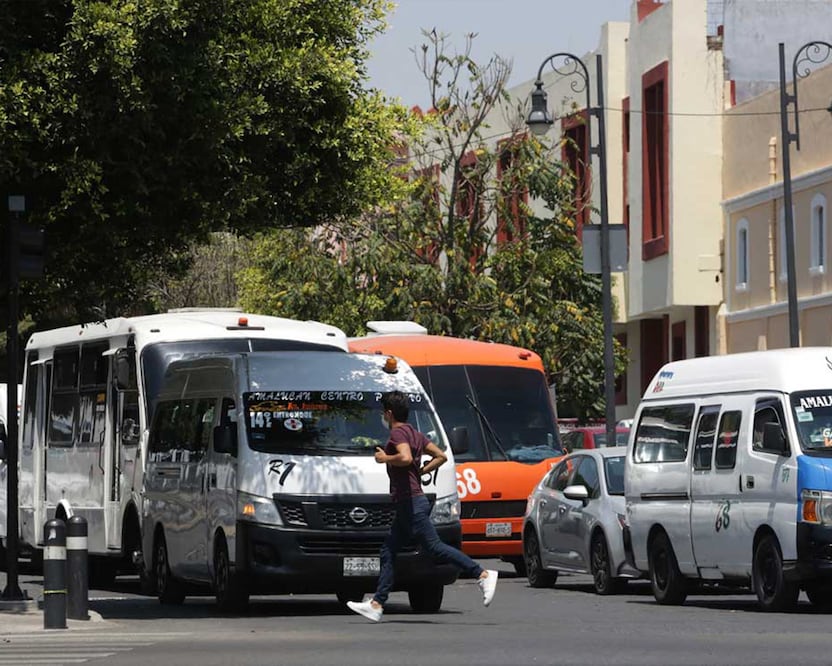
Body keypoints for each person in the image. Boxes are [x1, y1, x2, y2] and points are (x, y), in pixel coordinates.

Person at [346, 390, 497, 622]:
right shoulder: (415, 433)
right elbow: (440, 456)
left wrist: (385, 459)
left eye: (383, 414)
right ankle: (377, 603)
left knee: (434, 547)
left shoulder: (397, 433)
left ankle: (482, 573)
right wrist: (422, 471)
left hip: (411, 502)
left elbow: (405, 458)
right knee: (388, 550)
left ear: (388, 413)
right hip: (410, 501)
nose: (383, 418)